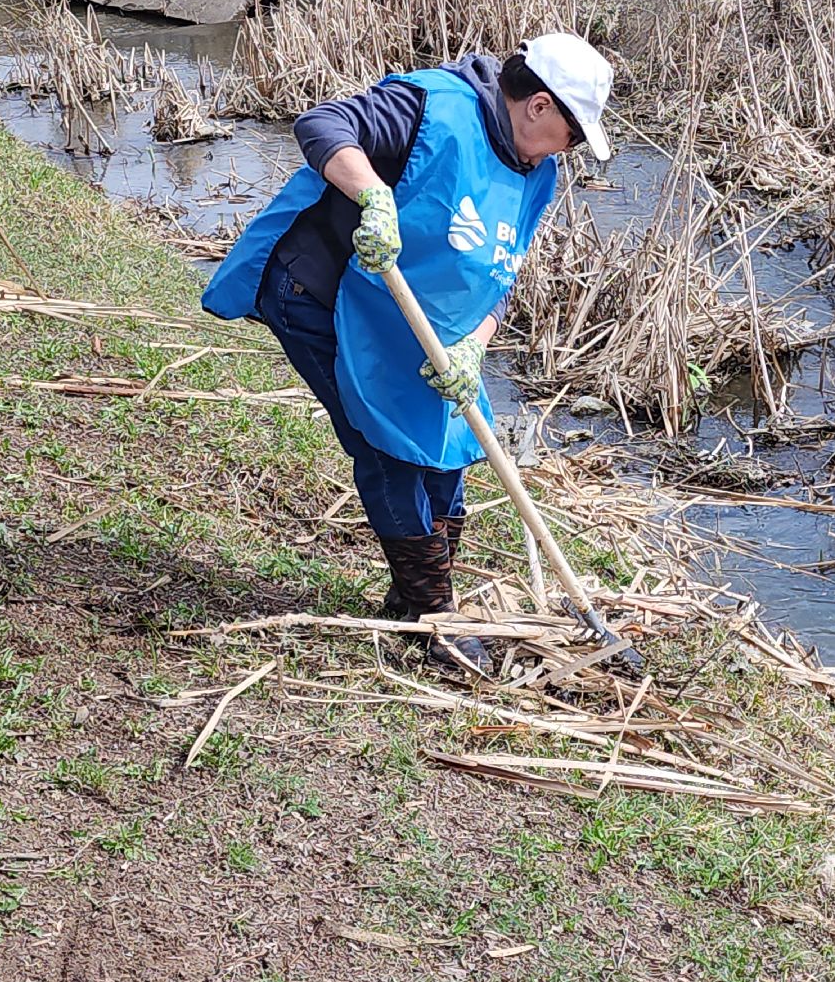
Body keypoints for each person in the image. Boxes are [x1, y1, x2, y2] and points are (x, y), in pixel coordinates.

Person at [201, 33, 613, 672]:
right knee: (385, 442)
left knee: (449, 446)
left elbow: (501, 273)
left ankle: (416, 594)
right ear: (538, 106)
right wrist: (373, 197)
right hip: (325, 293)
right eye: (574, 132)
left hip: (430, 324)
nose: (574, 148)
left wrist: (476, 347)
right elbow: (321, 123)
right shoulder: (432, 111)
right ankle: (429, 613)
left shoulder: (538, 174)